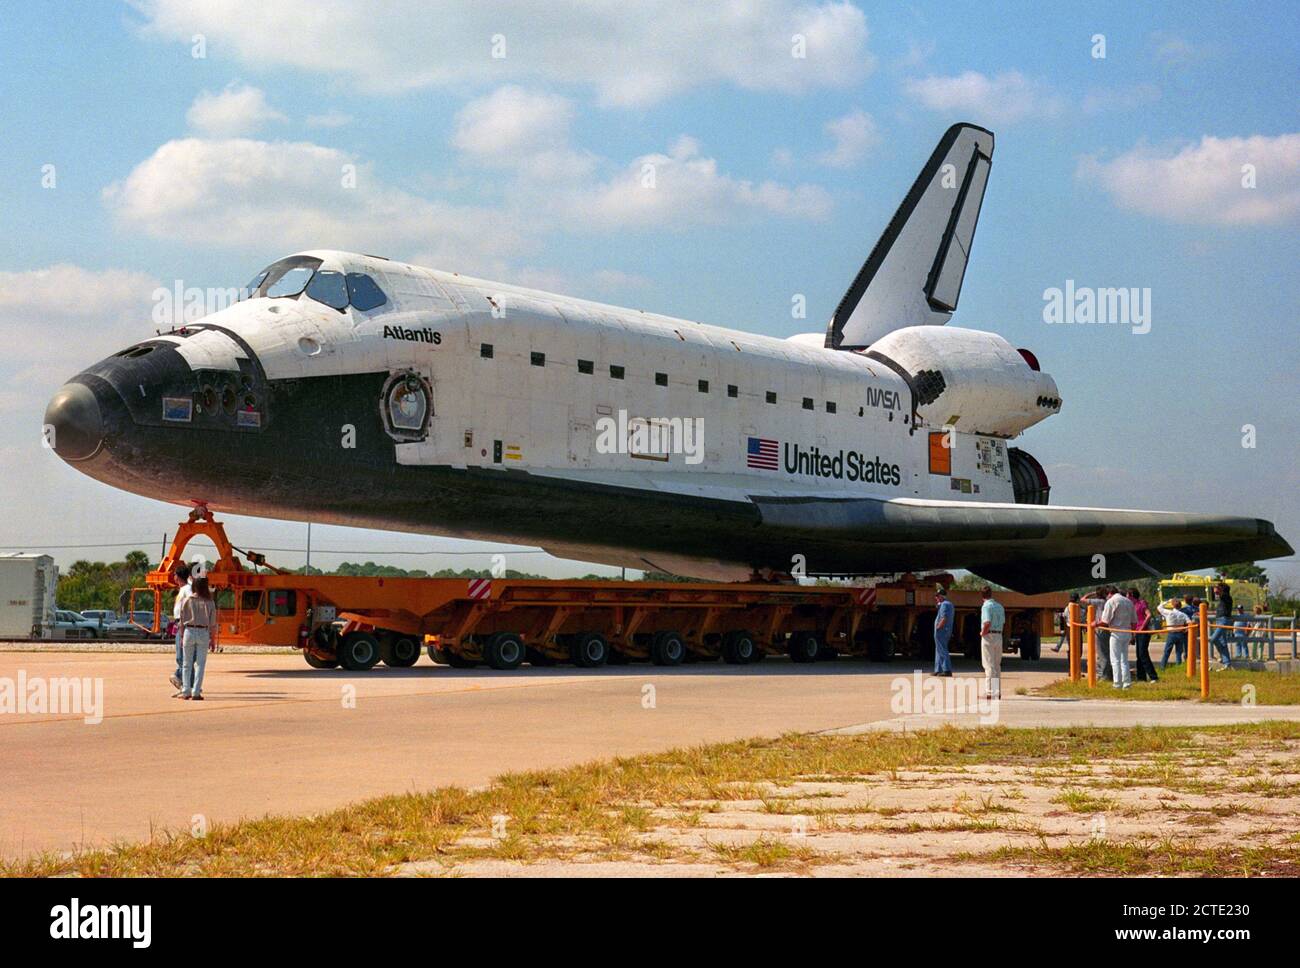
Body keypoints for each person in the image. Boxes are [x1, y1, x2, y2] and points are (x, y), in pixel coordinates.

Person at [177, 576, 218, 700]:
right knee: (200, 664)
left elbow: (181, 620)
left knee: (186, 663)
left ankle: (185, 691)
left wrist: (182, 635)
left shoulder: (187, 600)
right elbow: (213, 624)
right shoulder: (209, 602)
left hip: (189, 630)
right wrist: (213, 639)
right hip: (203, 632)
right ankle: (196, 691)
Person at [1098, 587, 1135, 689]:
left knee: (1115, 660)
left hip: (1116, 633)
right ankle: (1127, 683)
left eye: (1107, 595)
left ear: (1110, 593)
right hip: (1127, 632)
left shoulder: (1111, 601)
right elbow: (1134, 621)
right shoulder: (1128, 602)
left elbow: (1105, 621)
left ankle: (1117, 683)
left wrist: (1094, 624)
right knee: (1124, 659)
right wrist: (1132, 635)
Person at [979, 587, 1005, 700]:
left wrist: (982, 633)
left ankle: (989, 692)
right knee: (996, 664)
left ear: (982, 596)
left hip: (989, 636)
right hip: (999, 634)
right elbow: (1003, 622)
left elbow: (987, 622)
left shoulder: (986, 606)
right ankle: (997, 691)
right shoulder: (1000, 606)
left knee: (988, 665)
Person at [169, 562, 193, 690]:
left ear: (178, 576)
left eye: (174, 574)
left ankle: (185, 683)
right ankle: (185, 684)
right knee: (181, 657)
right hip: (179, 623)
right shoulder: (183, 589)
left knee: (182, 657)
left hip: (183, 624)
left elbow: (191, 605)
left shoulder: (187, 589)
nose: (173, 577)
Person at [1129, 588, 1158, 682]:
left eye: (1128, 595)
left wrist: (1142, 627)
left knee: (1143, 654)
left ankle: (1153, 677)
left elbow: (1148, 615)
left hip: (1143, 632)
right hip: (1137, 632)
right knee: (1139, 655)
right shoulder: (1132, 605)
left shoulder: (1141, 603)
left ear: (1132, 595)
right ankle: (1141, 677)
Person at [1083, 587, 1110, 680]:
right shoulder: (1107, 601)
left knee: (1102, 653)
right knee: (1104, 652)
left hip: (1100, 628)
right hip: (1106, 628)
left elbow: (1083, 599)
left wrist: (1092, 593)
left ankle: (1104, 675)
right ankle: (1102, 673)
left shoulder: (1099, 602)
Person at [1158, 598, 1190, 668]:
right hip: (1180, 634)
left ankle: (1162, 667)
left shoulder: (1169, 612)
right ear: (1180, 606)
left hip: (1171, 634)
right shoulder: (1183, 614)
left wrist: (1167, 601)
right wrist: (1185, 630)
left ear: (1173, 605)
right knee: (1179, 652)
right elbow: (1190, 623)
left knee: (1167, 652)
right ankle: (1178, 666)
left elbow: (1159, 608)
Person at [1209, 581, 1233, 668]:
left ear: (1222, 590)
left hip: (1223, 621)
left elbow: (1219, 592)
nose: (1216, 591)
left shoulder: (1226, 597)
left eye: (1218, 589)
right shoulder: (1223, 599)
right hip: (1220, 620)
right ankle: (1227, 662)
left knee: (1213, 639)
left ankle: (1225, 659)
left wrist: (1217, 587)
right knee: (1222, 642)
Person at [932, 588, 954, 677]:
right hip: (943, 630)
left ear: (941, 596)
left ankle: (947, 669)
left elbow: (944, 618)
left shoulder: (945, 604)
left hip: (942, 631)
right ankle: (938, 670)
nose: (936, 598)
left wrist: (938, 627)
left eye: (937, 596)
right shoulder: (946, 604)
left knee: (942, 650)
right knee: (938, 650)